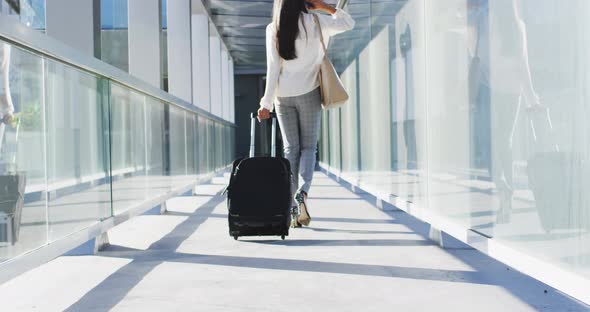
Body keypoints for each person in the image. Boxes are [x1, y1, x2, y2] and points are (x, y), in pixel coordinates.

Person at [257, 0, 354, 227]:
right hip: (309, 93)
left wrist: (266, 104)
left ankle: (292, 205)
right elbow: (348, 23)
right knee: (309, 148)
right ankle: (303, 192)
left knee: (291, 149)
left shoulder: (273, 29)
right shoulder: (317, 22)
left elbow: (273, 69)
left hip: (283, 97)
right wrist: (326, 7)